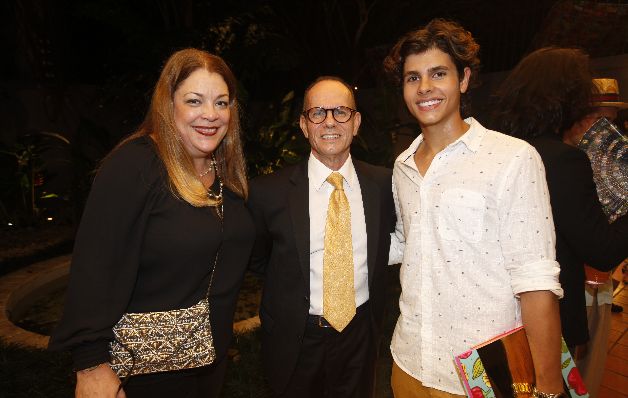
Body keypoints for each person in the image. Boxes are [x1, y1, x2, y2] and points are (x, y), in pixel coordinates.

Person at [49, 48, 254, 398]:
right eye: (194, 100)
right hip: (143, 374)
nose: (210, 114)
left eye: (221, 103)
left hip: (207, 363)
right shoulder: (135, 165)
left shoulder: (225, 175)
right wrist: (90, 364)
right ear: (168, 103)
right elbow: (94, 266)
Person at [384, 20, 565, 397]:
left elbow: (536, 280)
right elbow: (406, 242)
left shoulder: (511, 158)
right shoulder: (401, 166)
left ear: (464, 79)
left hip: (484, 372)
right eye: (412, 78)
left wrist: (548, 388)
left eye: (438, 74)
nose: (425, 88)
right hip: (408, 362)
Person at [247, 76, 395, 397]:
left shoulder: (384, 185)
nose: (330, 121)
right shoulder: (267, 193)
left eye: (341, 112)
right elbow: (260, 260)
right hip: (296, 340)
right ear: (304, 124)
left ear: (356, 123)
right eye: (318, 113)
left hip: (360, 336)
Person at [492, 49, 628, 397]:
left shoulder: (498, 149)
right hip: (547, 322)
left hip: (500, 318)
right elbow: (602, 250)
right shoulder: (564, 160)